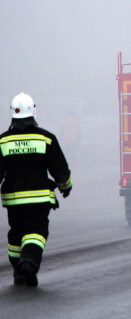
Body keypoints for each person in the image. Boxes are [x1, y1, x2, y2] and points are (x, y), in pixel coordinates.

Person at [0, 93, 72, 287]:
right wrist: (66, 187)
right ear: (33, 111)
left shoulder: (2, 142)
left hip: (13, 201)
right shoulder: (46, 139)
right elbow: (60, 170)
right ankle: (29, 263)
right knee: (36, 232)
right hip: (39, 200)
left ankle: (18, 272)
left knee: (16, 233)